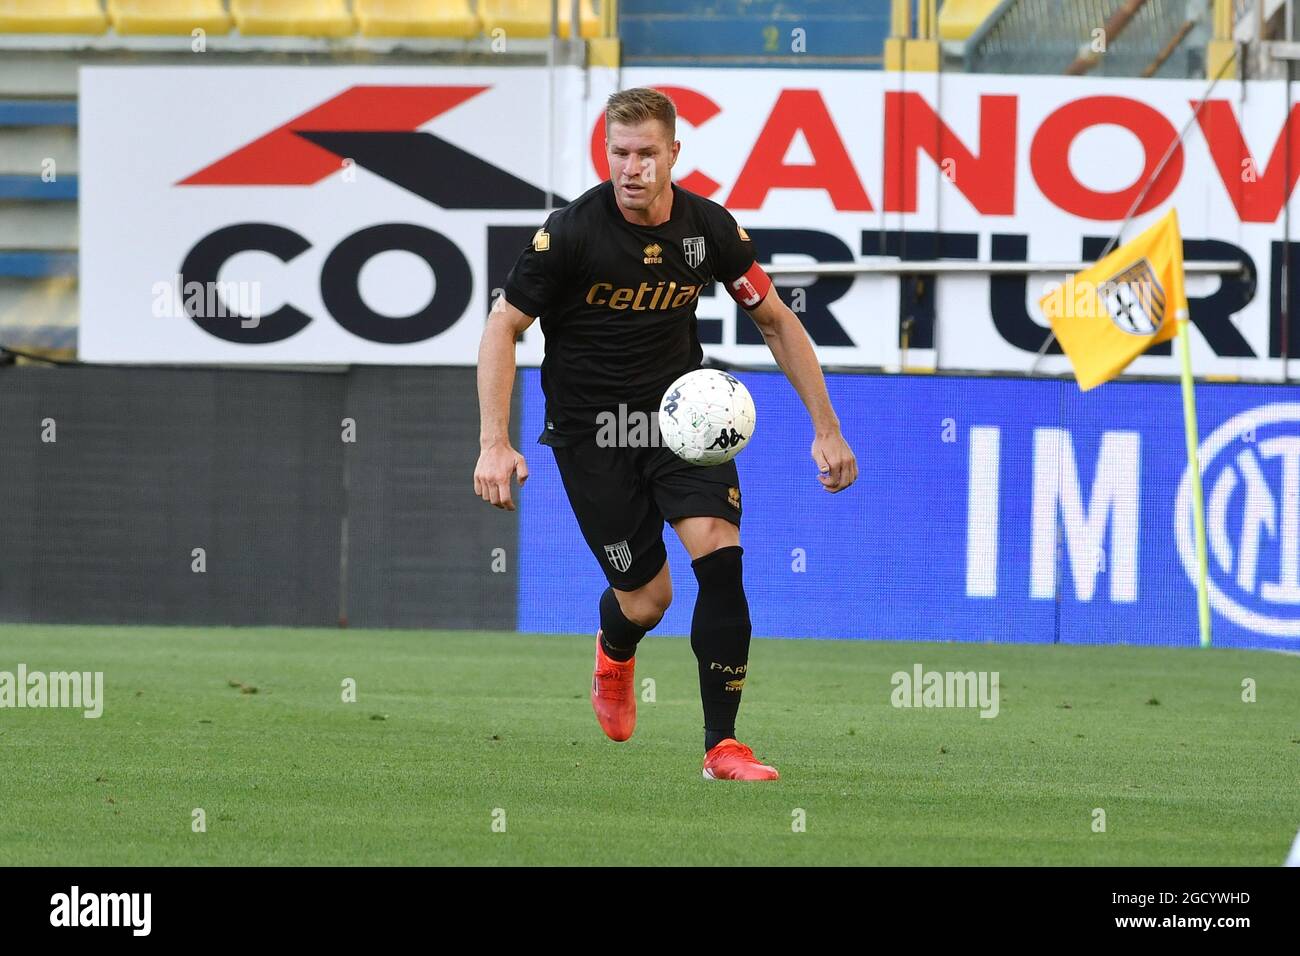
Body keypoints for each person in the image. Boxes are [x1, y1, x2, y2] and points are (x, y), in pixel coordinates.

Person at [474, 87, 856, 780]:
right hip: (593, 433)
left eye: (646, 153)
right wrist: (494, 441)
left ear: (673, 153)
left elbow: (774, 319)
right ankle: (615, 649)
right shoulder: (569, 234)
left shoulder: (708, 229)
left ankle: (722, 746)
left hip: (684, 420)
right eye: (619, 154)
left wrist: (825, 429)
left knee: (721, 555)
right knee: (649, 599)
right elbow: (503, 327)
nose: (631, 168)